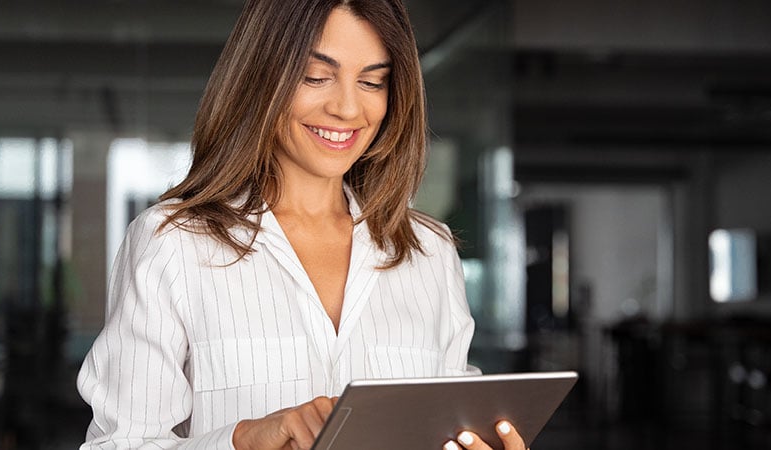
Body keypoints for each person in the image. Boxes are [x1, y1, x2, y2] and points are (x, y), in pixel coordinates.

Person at [77, 1, 528, 449]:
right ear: (261, 76)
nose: (348, 109)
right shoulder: (174, 244)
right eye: (317, 76)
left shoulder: (429, 252)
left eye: (372, 82)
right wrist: (241, 441)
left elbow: (450, 428)